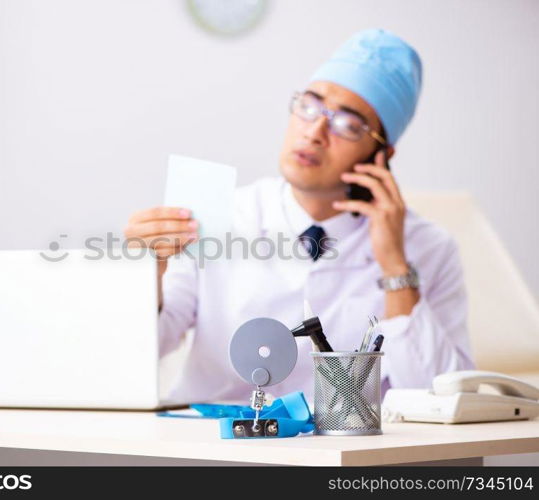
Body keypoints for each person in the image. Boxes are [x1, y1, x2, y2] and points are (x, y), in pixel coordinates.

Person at [124, 29, 474, 403]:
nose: (315, 131)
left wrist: (394, 268)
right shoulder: (218, 217)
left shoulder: (428, 248)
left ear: (382, 154)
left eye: (348, 125)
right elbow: (135, 355)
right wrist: (146, 272)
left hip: (347, 454)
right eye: (310, 106)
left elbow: (443, 399)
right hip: (215, 446)